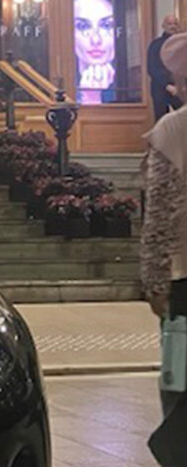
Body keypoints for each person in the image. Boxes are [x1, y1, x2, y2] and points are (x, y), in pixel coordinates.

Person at [141, 31, 187, 466]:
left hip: (183, 277)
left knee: (180, 378)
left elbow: (159, 211)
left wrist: (154, 279)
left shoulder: (172, 129)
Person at [74, 0, 116, 105]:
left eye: (107, 25)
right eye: (83, 26)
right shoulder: (64, 83)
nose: (96, 40)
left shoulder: (129, 86)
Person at [148, 14, 183, 122]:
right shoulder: (155, 45)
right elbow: (152, 68)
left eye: (175, 24)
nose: (172, 26)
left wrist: (180, 87)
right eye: (169, 24)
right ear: (163, 26)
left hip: (180, 88)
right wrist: (168, 86)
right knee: (161, 122)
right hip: (160, 88)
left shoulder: (183, 44)